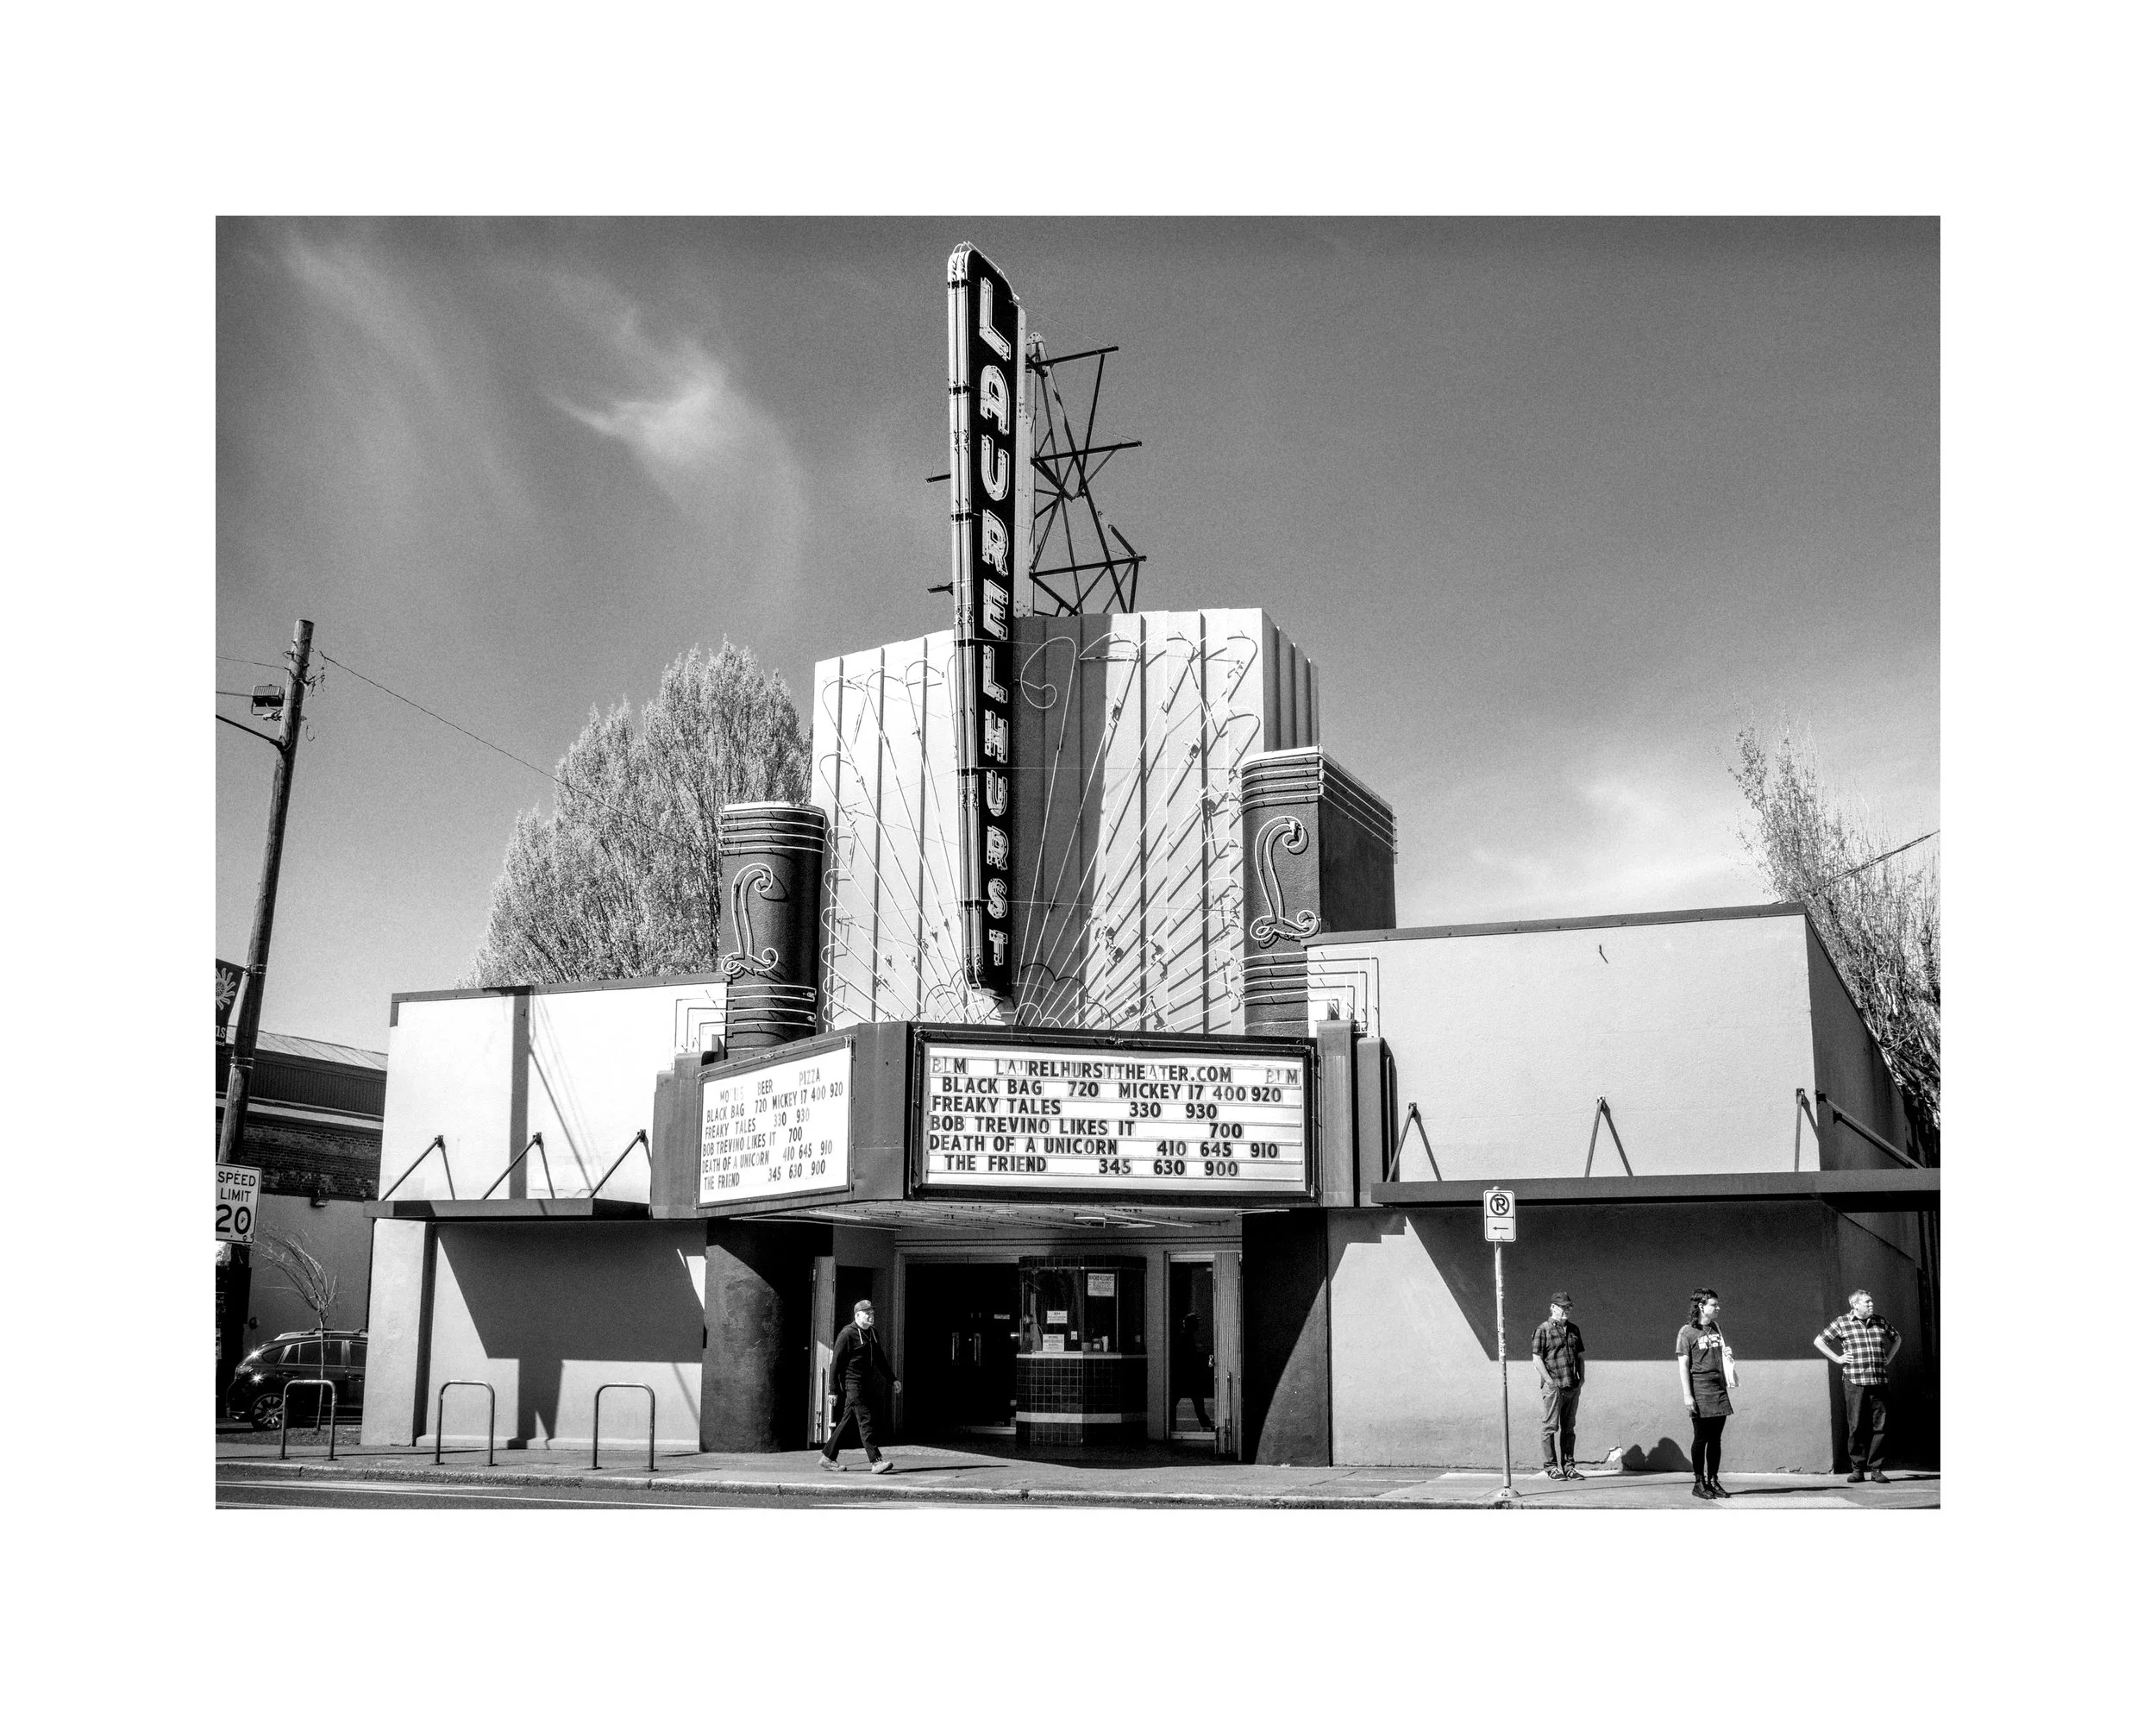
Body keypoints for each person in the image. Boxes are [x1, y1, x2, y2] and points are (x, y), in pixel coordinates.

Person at [1813, 1289, 1902, 1483]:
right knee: (1856, 1426)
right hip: (1855, 1381)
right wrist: (1837, 1358)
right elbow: (1819, 1341)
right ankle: (1858, 1469)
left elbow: (1897, 1339)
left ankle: (1876, 1468)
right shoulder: (1842, 1322)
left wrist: (1889, 1357)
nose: (1871, 1304)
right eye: (1867, 1302)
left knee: (1880, 1425)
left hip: (1878, 1380)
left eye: (1871, 1302)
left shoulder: (1880, 1321)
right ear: (1855, 1305)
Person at [820, 1298, 901, 1475]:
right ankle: (876, 1461)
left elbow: (880, 1359)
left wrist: (892, 1379)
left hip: (865, 1384)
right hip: (852, 1384)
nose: (872, 1316)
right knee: (866, 1420)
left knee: (847, 1421)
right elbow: (836, 1363)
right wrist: (832, 1390)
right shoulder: (847, 1334)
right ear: (857, 1315)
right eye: (867, 1313)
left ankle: (827, 1457)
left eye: (872, 1313)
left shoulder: (872, 1333)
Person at [1676, 1288, 1739, 1499]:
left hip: (1718, 1389)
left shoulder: (1716, 1327)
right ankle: (1698, 1482)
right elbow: (1683, 1365)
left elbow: (1717, 1354)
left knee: (1716, 1440)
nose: (1718, 1307)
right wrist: (1688, 1395)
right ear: (1701, 1306)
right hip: (1700, 1390)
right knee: (1701, 1438)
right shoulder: (1687, 1332)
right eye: (1714, 1304)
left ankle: (1713, 1480)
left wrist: (1727, 1355)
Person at [1532, 1292, 1586, 1480]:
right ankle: (1551, 1467)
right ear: (1553, 1307)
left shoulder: (1574, 1330)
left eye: (1568, 1307)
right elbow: (1536, 1358)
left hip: (1572, 1386)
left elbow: (1580, 1356)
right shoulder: (1543, 1329)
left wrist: (1582, 1379)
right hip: (1554, 1387)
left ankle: (1569, 1467)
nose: (1566, 1311)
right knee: (1550, 1427)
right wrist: (1549, 1381)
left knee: (1569, 1428)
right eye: (1563, 1307)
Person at [1174, 1309, 1214, 1431]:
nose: (1198, 1325)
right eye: (1196, 1323)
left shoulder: (1185, 1337)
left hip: (1184, 1376)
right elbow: (1191, 1357)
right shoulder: (1187, 1338)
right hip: (1187, 1376)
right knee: (1197, 1400)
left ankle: (1205, 1423)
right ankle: (1205, 1424)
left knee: (1193, 1400)